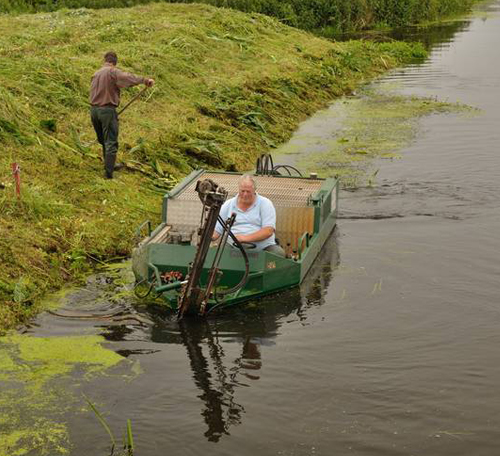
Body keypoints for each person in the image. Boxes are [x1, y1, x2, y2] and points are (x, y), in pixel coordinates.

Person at [89, 51, 154, 179]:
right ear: (114, 62)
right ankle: (108, 174)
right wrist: (144, 80)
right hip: (107, 111)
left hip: (94, 111)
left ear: (105, 60)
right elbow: (128, 78)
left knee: (103, 139)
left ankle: (109, 164)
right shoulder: (112, 71)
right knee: (111, 141)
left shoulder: (96, 73)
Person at [213, 175, 285, 257]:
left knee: (278, 254)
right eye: (242, 191)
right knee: (216, 256)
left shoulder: (265, 203)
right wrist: (207, 235)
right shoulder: (228, 205)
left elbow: (268, 231)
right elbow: (217, 231)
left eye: (248, 191)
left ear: (254, 190)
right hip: (233, 247)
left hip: (263, 248)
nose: (245, 194)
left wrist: (244, 238)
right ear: (238, 189)